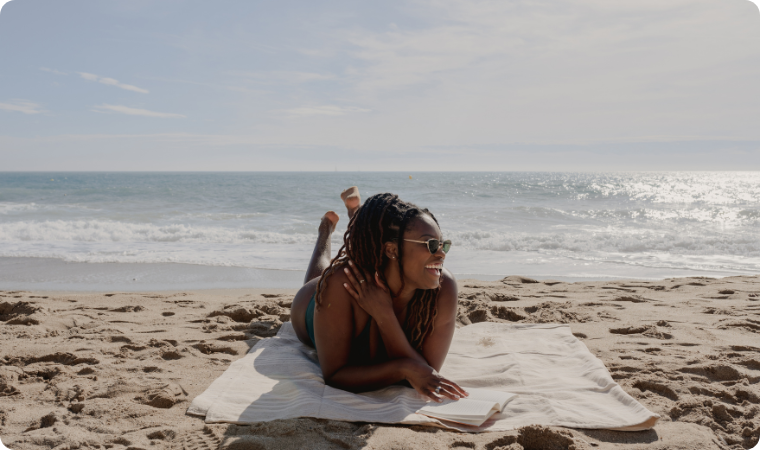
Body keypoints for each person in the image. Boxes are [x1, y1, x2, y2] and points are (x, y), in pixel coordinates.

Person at [290, 187, 468, 402]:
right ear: (392, 250)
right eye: (430, 245)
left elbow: (425, 372)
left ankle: (355, 213)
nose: (441, 254)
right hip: (310, 307)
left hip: (378, 271)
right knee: (319, 276)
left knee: (372, 233)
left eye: (442, 245)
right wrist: (403, 368)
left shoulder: (443, 286)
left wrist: (384, 314)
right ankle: (325, 231)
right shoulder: (343, 283)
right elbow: (335, 375)